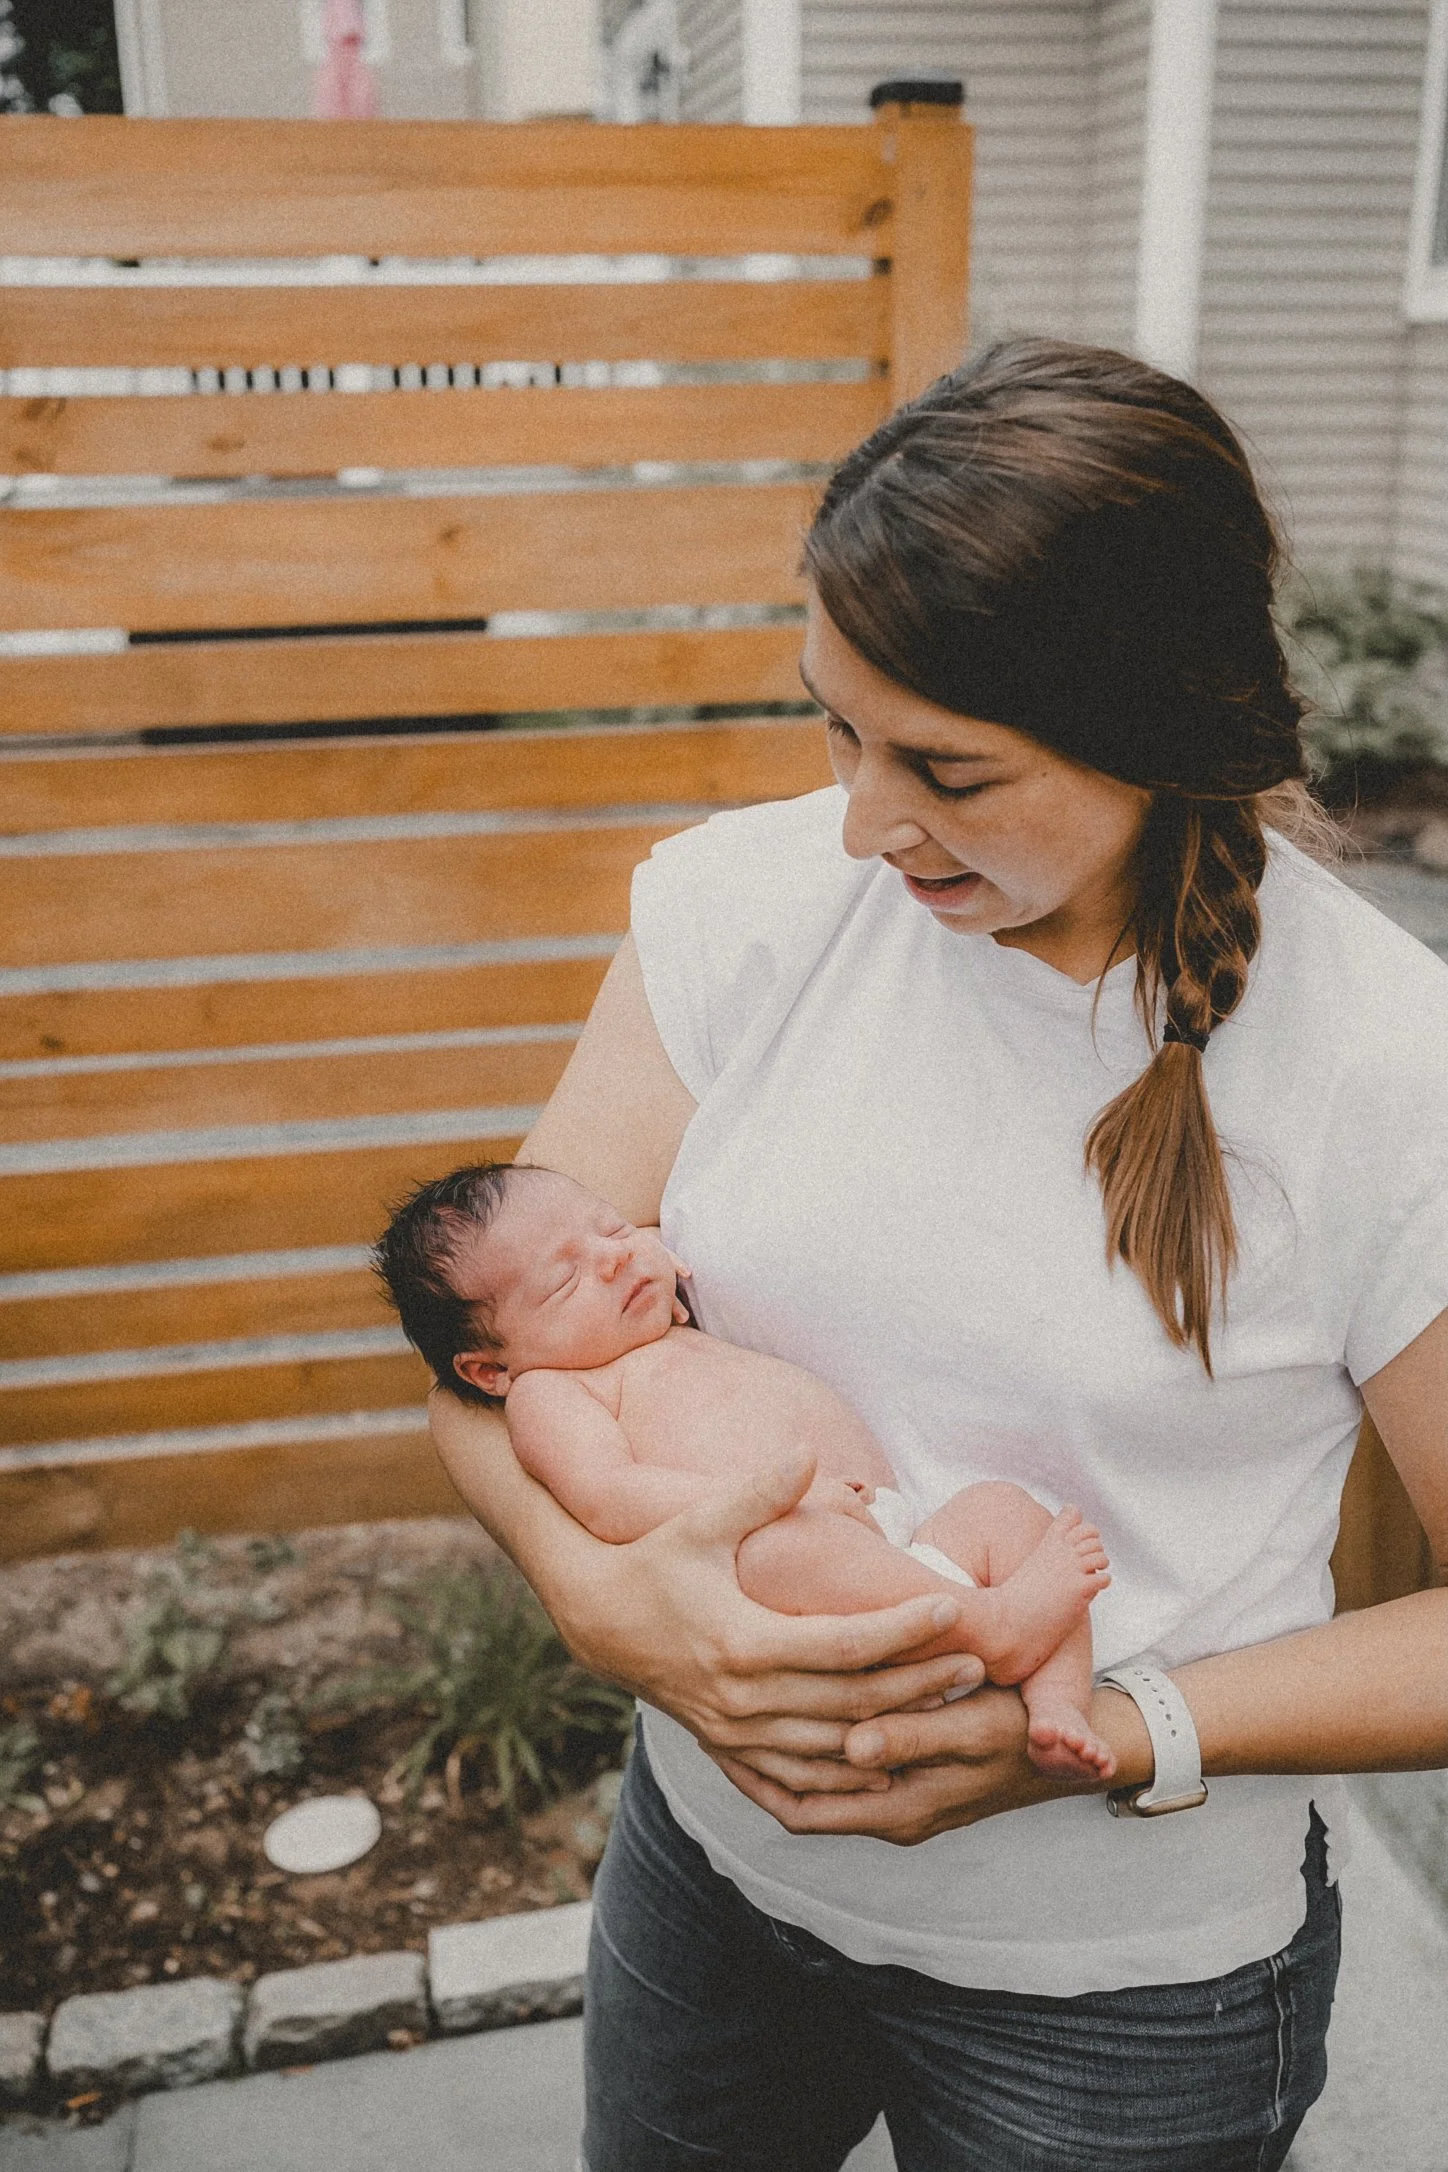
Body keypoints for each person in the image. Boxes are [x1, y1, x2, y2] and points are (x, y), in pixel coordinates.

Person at [428, 339, 1448, 2172]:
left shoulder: (1382, 1061)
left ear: (1165, 728)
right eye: (833, 723)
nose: (861, 822)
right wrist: (608, 1607)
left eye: (946, 770)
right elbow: (482, 1360)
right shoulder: (737, 912)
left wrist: (1115, 1725)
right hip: (710, 1890)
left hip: (1121, 2003)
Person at [375, 1160, 1116, 1780]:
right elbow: (608, 1497)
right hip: (777, 1574)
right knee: (784, 1547)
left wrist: (654, 1260)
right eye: (563, 1281)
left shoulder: (660, 1309)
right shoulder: (554, 1389)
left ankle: (1055, 1705)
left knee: (1002, 1511)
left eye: (609, 1229)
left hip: (894, 1544)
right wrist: (771, 1501)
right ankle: (998, 1628)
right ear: (490, 1369)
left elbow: (662, 1241)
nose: (611, 1258)